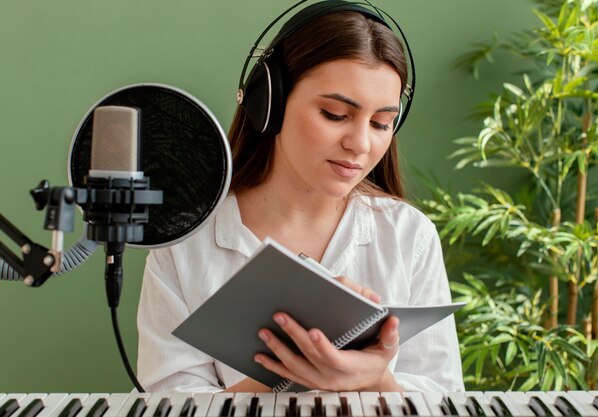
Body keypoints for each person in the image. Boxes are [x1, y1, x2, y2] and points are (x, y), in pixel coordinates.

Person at [137, 0, 464, 393]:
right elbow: (169, 404)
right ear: (269, 103)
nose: (360, 144)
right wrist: (290, 370)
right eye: (335, 114)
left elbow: (442, 397)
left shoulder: (409, 235)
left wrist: (376, 380)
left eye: (381, 123)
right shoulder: (186, 241)